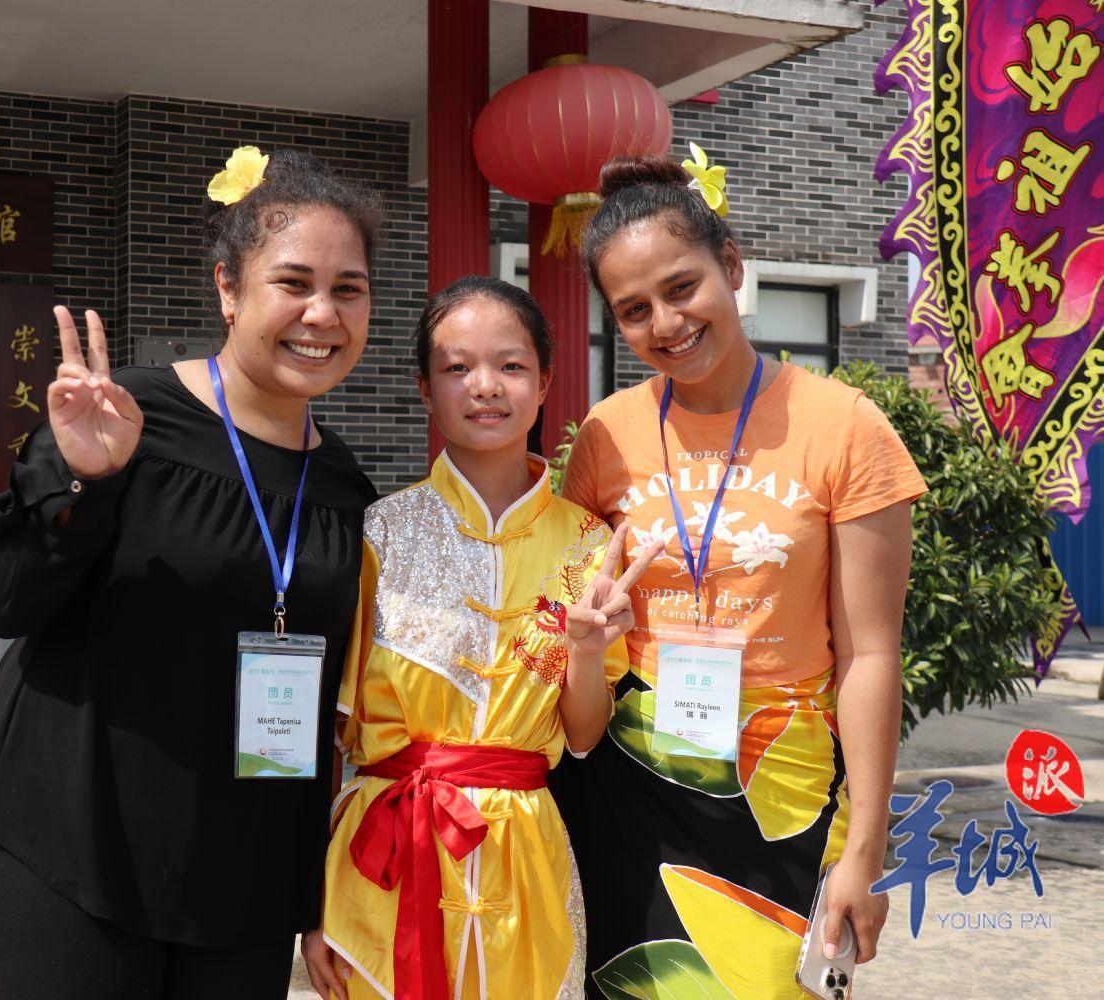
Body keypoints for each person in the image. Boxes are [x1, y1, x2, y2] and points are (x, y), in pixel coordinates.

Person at [0, 146, 382, 999]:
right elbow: (5, 601)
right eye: (292, 283)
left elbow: (333, 714)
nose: (321, 314)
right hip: (67, 850)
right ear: (229, 288)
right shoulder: (123, 420)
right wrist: (86, 483)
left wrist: (319, 890)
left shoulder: (345, 491)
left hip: (242, 890)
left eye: (348, 289)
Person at [550, 154, 927, 998]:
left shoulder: (844, 427)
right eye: (634, 309)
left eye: (682, 288)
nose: (665, 323)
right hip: (631, 787)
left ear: (731, 264)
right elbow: (582, 626)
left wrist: (867, 845)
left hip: (783, 785)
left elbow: (871, 655)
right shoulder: (607, 437)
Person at [301, 276, 662, 1000]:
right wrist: (307, 907)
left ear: (545, 382)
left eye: (511, 365)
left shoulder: (590, 546)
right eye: (457, 368)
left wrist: (588, 652)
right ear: (425, 391)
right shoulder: (379, 532)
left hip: (524, 854)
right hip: (384, 861)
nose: (485, 387)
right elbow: (327, 737)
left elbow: (585, 739)